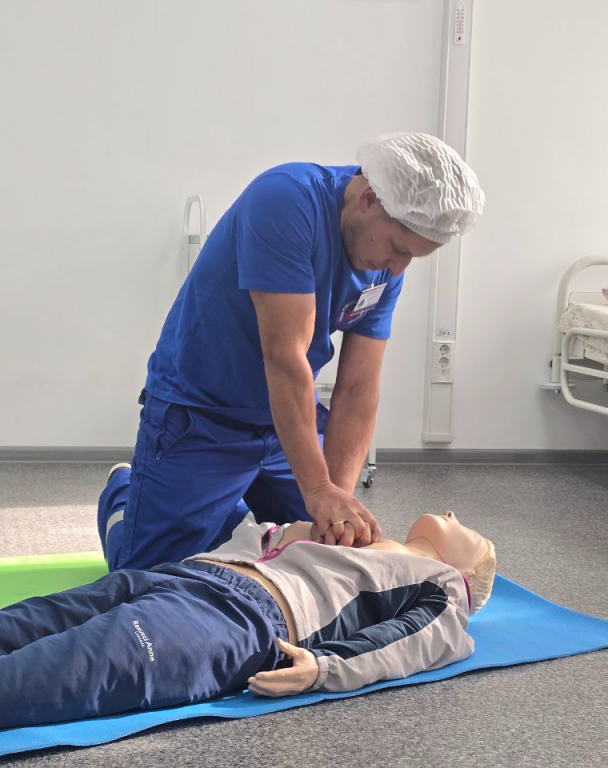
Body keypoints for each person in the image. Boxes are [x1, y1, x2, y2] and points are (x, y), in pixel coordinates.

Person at [0, 493, 496, 749]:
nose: (455, 515)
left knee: (34, 675)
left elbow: (414, 645)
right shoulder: (360, 532)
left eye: (469, 528)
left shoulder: (441, 589)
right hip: (186, 577)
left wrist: (325, 669)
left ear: (469, 574)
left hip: (236, 626)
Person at [98, 133, 486, 571]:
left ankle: (223, 509)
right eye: (398, 248)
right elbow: (285, 358)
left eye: (413, 257)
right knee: (147, 581)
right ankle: (124, 494)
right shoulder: (286, 201)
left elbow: (358, 388)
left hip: (284, 424)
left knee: (324, 556)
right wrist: (317, 489)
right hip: (202, 414)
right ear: (369, 200)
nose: (397, 268)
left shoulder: (384, 264)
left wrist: (336, 503)